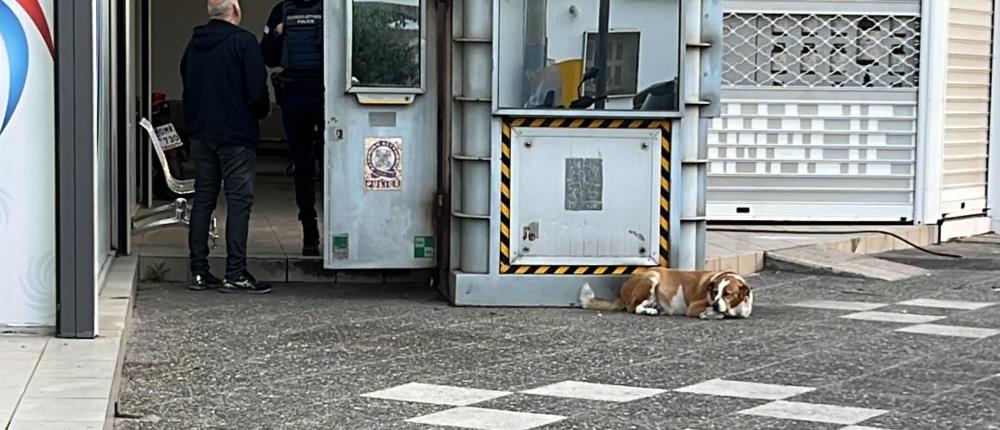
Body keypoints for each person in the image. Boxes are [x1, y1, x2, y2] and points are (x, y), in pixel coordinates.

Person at [181, 0, 271, 293]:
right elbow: (257, 91)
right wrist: (258, 112)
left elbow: (186, 78)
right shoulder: (243, 42)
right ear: (235, 10)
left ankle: (198, 271)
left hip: (201, 133)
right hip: (236, 134)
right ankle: (235, 272)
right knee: (238, 201)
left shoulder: (193, 44)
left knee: (204, 199)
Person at [260, 0, 324, 256]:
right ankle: (310, 230)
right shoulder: (282, 10)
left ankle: (335, 230)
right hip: (296, 93)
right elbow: (266, 56)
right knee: (303, 165)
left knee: (333, 165)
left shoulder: (332, 7)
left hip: (325, 92)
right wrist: (276, 34)